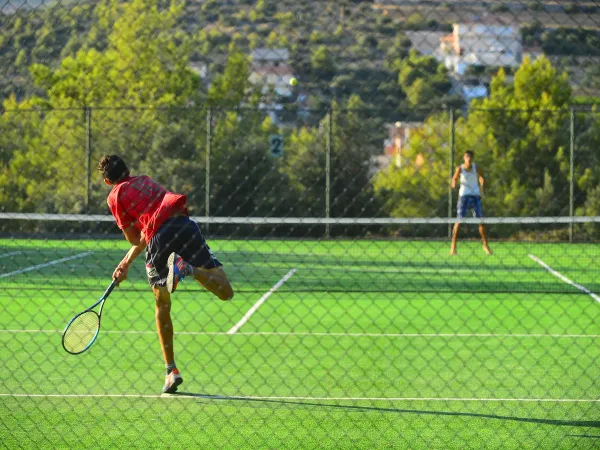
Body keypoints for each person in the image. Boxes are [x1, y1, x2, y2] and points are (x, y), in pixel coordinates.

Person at [98, 155, 233, 394]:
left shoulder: (115, 197)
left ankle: (171, 371)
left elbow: (137, 238)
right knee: (225, 291)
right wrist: (126, 262)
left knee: (162, 303)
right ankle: (188, 268)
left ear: (108, 182)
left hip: (159, 238)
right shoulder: (145, 181)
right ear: (128, 170)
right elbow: (156, 221)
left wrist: (128, 257)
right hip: (185, 225)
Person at [450, 150, 492, 256]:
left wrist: (482, 187)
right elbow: (454, 178)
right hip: (463, 197)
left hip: (475, 197)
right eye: (466, 157)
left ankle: (485, 245)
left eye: (470, 157)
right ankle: (453, 247)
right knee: (458, 222)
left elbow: (482, 177)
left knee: (481, 222)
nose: (468, 158)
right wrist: (454, 184)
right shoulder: (460, 168)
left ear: (472, 158)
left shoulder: (476, 168)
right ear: (464, 158)